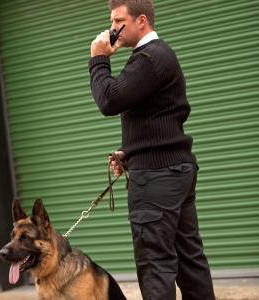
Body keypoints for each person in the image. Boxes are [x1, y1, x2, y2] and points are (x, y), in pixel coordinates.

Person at [88, 0, 216, 299]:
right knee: (189, 261)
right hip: (173, 171)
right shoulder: (155, 56)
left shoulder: (148, 57)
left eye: (118, 20)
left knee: (155, 264)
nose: (112, 29)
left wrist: (98, 60)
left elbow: (109, 100)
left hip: (157, 179)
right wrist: (130, 152)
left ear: (141, 21)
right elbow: (159, 117)